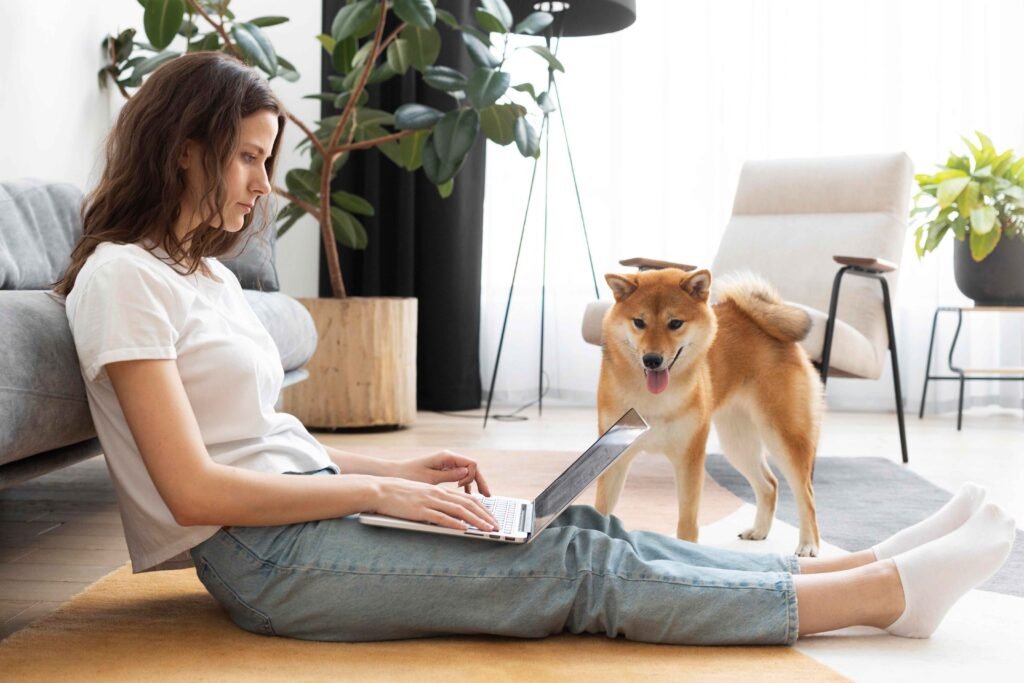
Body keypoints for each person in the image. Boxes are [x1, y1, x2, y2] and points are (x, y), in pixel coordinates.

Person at [51, 52, 1015, 645]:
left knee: (580, 530)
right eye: (251, 157)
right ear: (184, 148)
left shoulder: (208, 279)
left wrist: (395, 466)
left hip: (303, 511)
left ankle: (844, 567)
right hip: (264, 562)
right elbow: (195, 490)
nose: (264, 184)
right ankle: (887, 593)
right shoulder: (122, 280)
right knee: (573, 575)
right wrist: (380, 493)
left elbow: (254, 436)